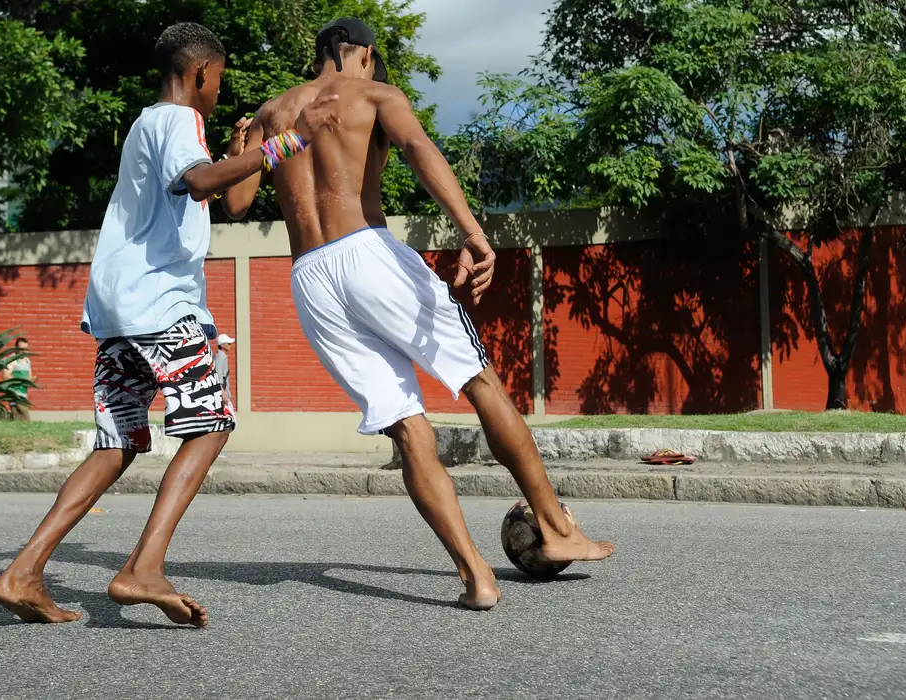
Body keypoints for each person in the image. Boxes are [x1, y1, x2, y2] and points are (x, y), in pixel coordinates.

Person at [220, 17, 614, 611]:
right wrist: (475, 235)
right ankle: (556, 527)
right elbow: (420, 149)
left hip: (310, 279)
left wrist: (237, 143)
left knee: (408, 428)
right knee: (480, 381)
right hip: (368, 252)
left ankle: (476, 577)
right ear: (364, 55)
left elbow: (235, 201)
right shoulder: (375, 95)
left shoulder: (275, 111)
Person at [0, 22, 341, 626]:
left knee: (117, 444)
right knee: (212, 425)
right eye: (219, 80)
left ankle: (23, 573)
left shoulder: (147, 125)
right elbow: (198, 180)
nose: (217, 92)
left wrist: (241, 157)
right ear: (201, 72)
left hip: (120, 311)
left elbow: (224, 197)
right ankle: (142, 568)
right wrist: (292, 143)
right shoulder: (178, 121)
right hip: (161, 307)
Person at [4, 337, 33, 421]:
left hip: (24, 392)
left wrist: (31, 380)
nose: (24, 351)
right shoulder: (13, 360)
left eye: (26, 349)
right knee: (26, 417)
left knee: (16, 418)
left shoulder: (27, 361)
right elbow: (6, 375)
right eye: (22, 349)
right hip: (15, 392)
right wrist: (19, 381)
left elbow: (30, 376)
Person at [214, 333, 235, 410]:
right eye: (228, 344)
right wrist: (223, 395)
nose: (230, 345)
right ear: (222, 345)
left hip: (223, 394)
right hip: (222, 395)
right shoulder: (220, 358)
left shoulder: (222, 357)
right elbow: (218, 378)